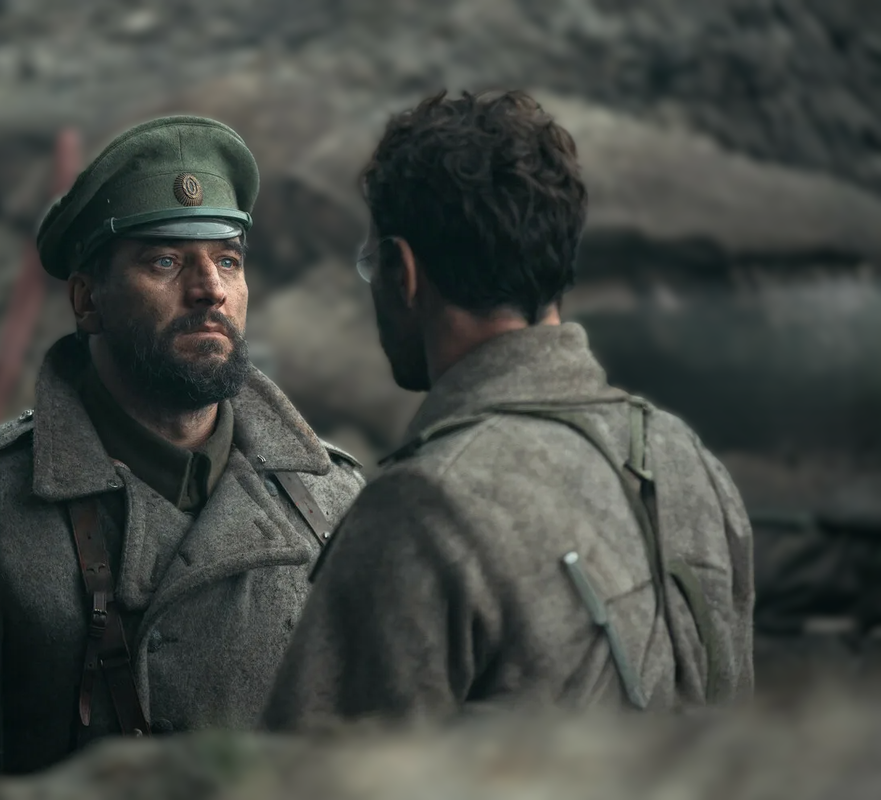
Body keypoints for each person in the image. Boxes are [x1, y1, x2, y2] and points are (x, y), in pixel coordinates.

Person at [0, 115, 365, 783]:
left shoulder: (330, 502)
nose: (210, 288)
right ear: (88, 300)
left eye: (227, 260)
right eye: (165, 261)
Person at [260, 90, 754, 730]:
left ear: (403, 272)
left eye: (372, 263)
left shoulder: (422, 506)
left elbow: (309, 772)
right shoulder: (687, 460)